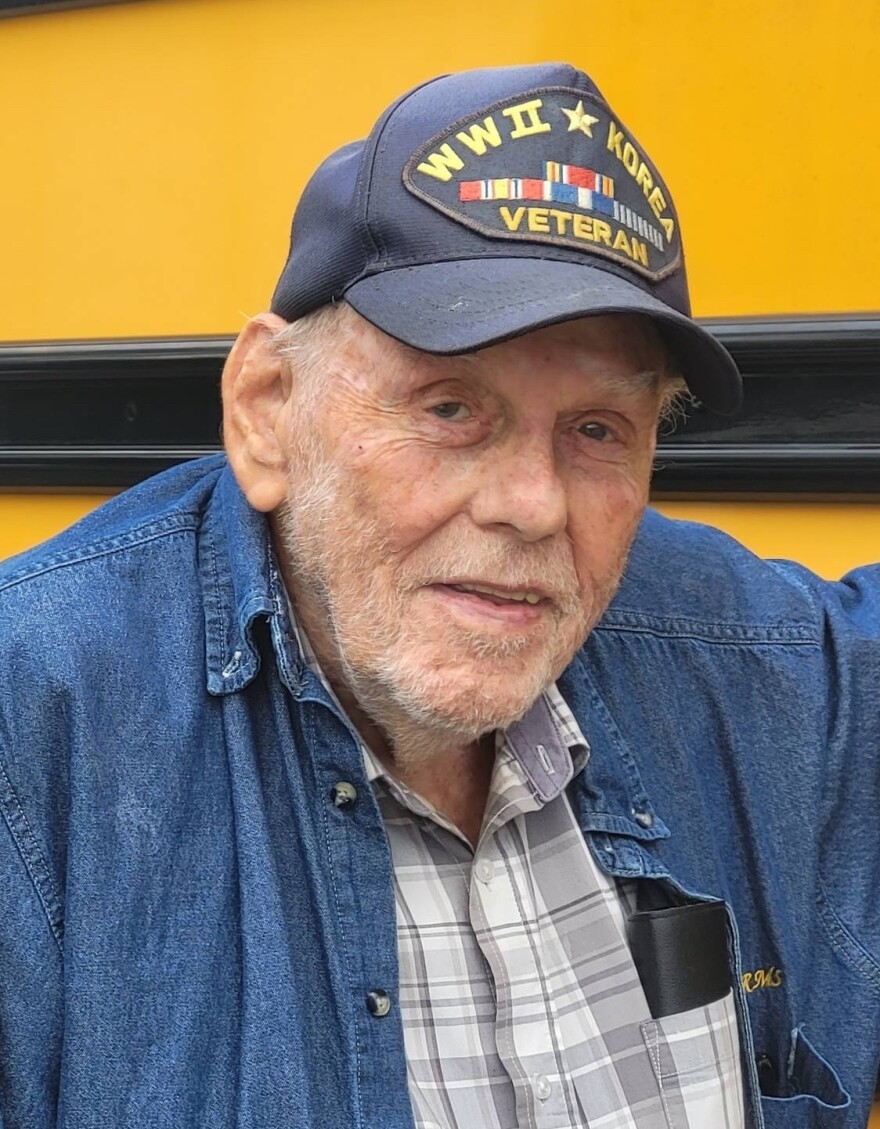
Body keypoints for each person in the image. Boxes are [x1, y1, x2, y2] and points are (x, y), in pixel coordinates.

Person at [0, 61, 877, 1129]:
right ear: (267, 408)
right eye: (451, 406)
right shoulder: (35, 732)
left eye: (597, 429)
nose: (533, 505)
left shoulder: (764, 671)